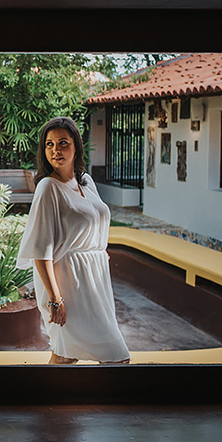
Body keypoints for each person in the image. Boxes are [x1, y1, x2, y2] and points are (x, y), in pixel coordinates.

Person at [16, 116, 130, 365]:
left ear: (76, 146)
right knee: (115, 358)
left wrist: (98, 250)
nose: (55, 150)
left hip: (94, 280)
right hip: (66, 282)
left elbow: (95, 221)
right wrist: (56, 299)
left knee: (65, 356)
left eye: (63, 143)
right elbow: (41, 249)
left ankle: (43, 402)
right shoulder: (48, 187)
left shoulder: (86, 182)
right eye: (49, 144)